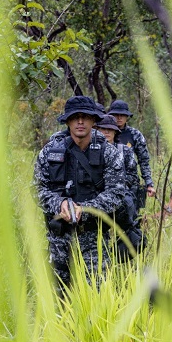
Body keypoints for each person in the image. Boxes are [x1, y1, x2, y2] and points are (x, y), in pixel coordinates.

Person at [34, 96, 126, 290]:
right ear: (68, 121)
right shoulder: (49, 152)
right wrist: (60, 204)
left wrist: (84, 209)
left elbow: (117, 193)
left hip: (94, 240)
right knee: (58, 298)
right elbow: (37, 189)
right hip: (59, 241)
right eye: (75, 117)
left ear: (94, 120)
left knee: (97, 297)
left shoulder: (109, 153)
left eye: (85, 117)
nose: (80, 121)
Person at [95, 115, 145, 260]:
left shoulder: (125, 151)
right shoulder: (92, 151)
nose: (106, 132)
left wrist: (117, 184)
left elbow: (133, 176)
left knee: (129, 236)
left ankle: (122, 263)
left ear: (116, 132)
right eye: (103, 129)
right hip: (98, 200)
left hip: (122, 200)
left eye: (110, 129)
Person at [108, 100, 156, 209]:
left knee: (131, 213)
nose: (119, 118)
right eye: (116, 115)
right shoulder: (103, 133)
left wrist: (149, 183)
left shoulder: (135, 134)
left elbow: (143, 160)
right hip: (108, 183)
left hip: (130, 183)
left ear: (127, 117)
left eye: (122, 115)